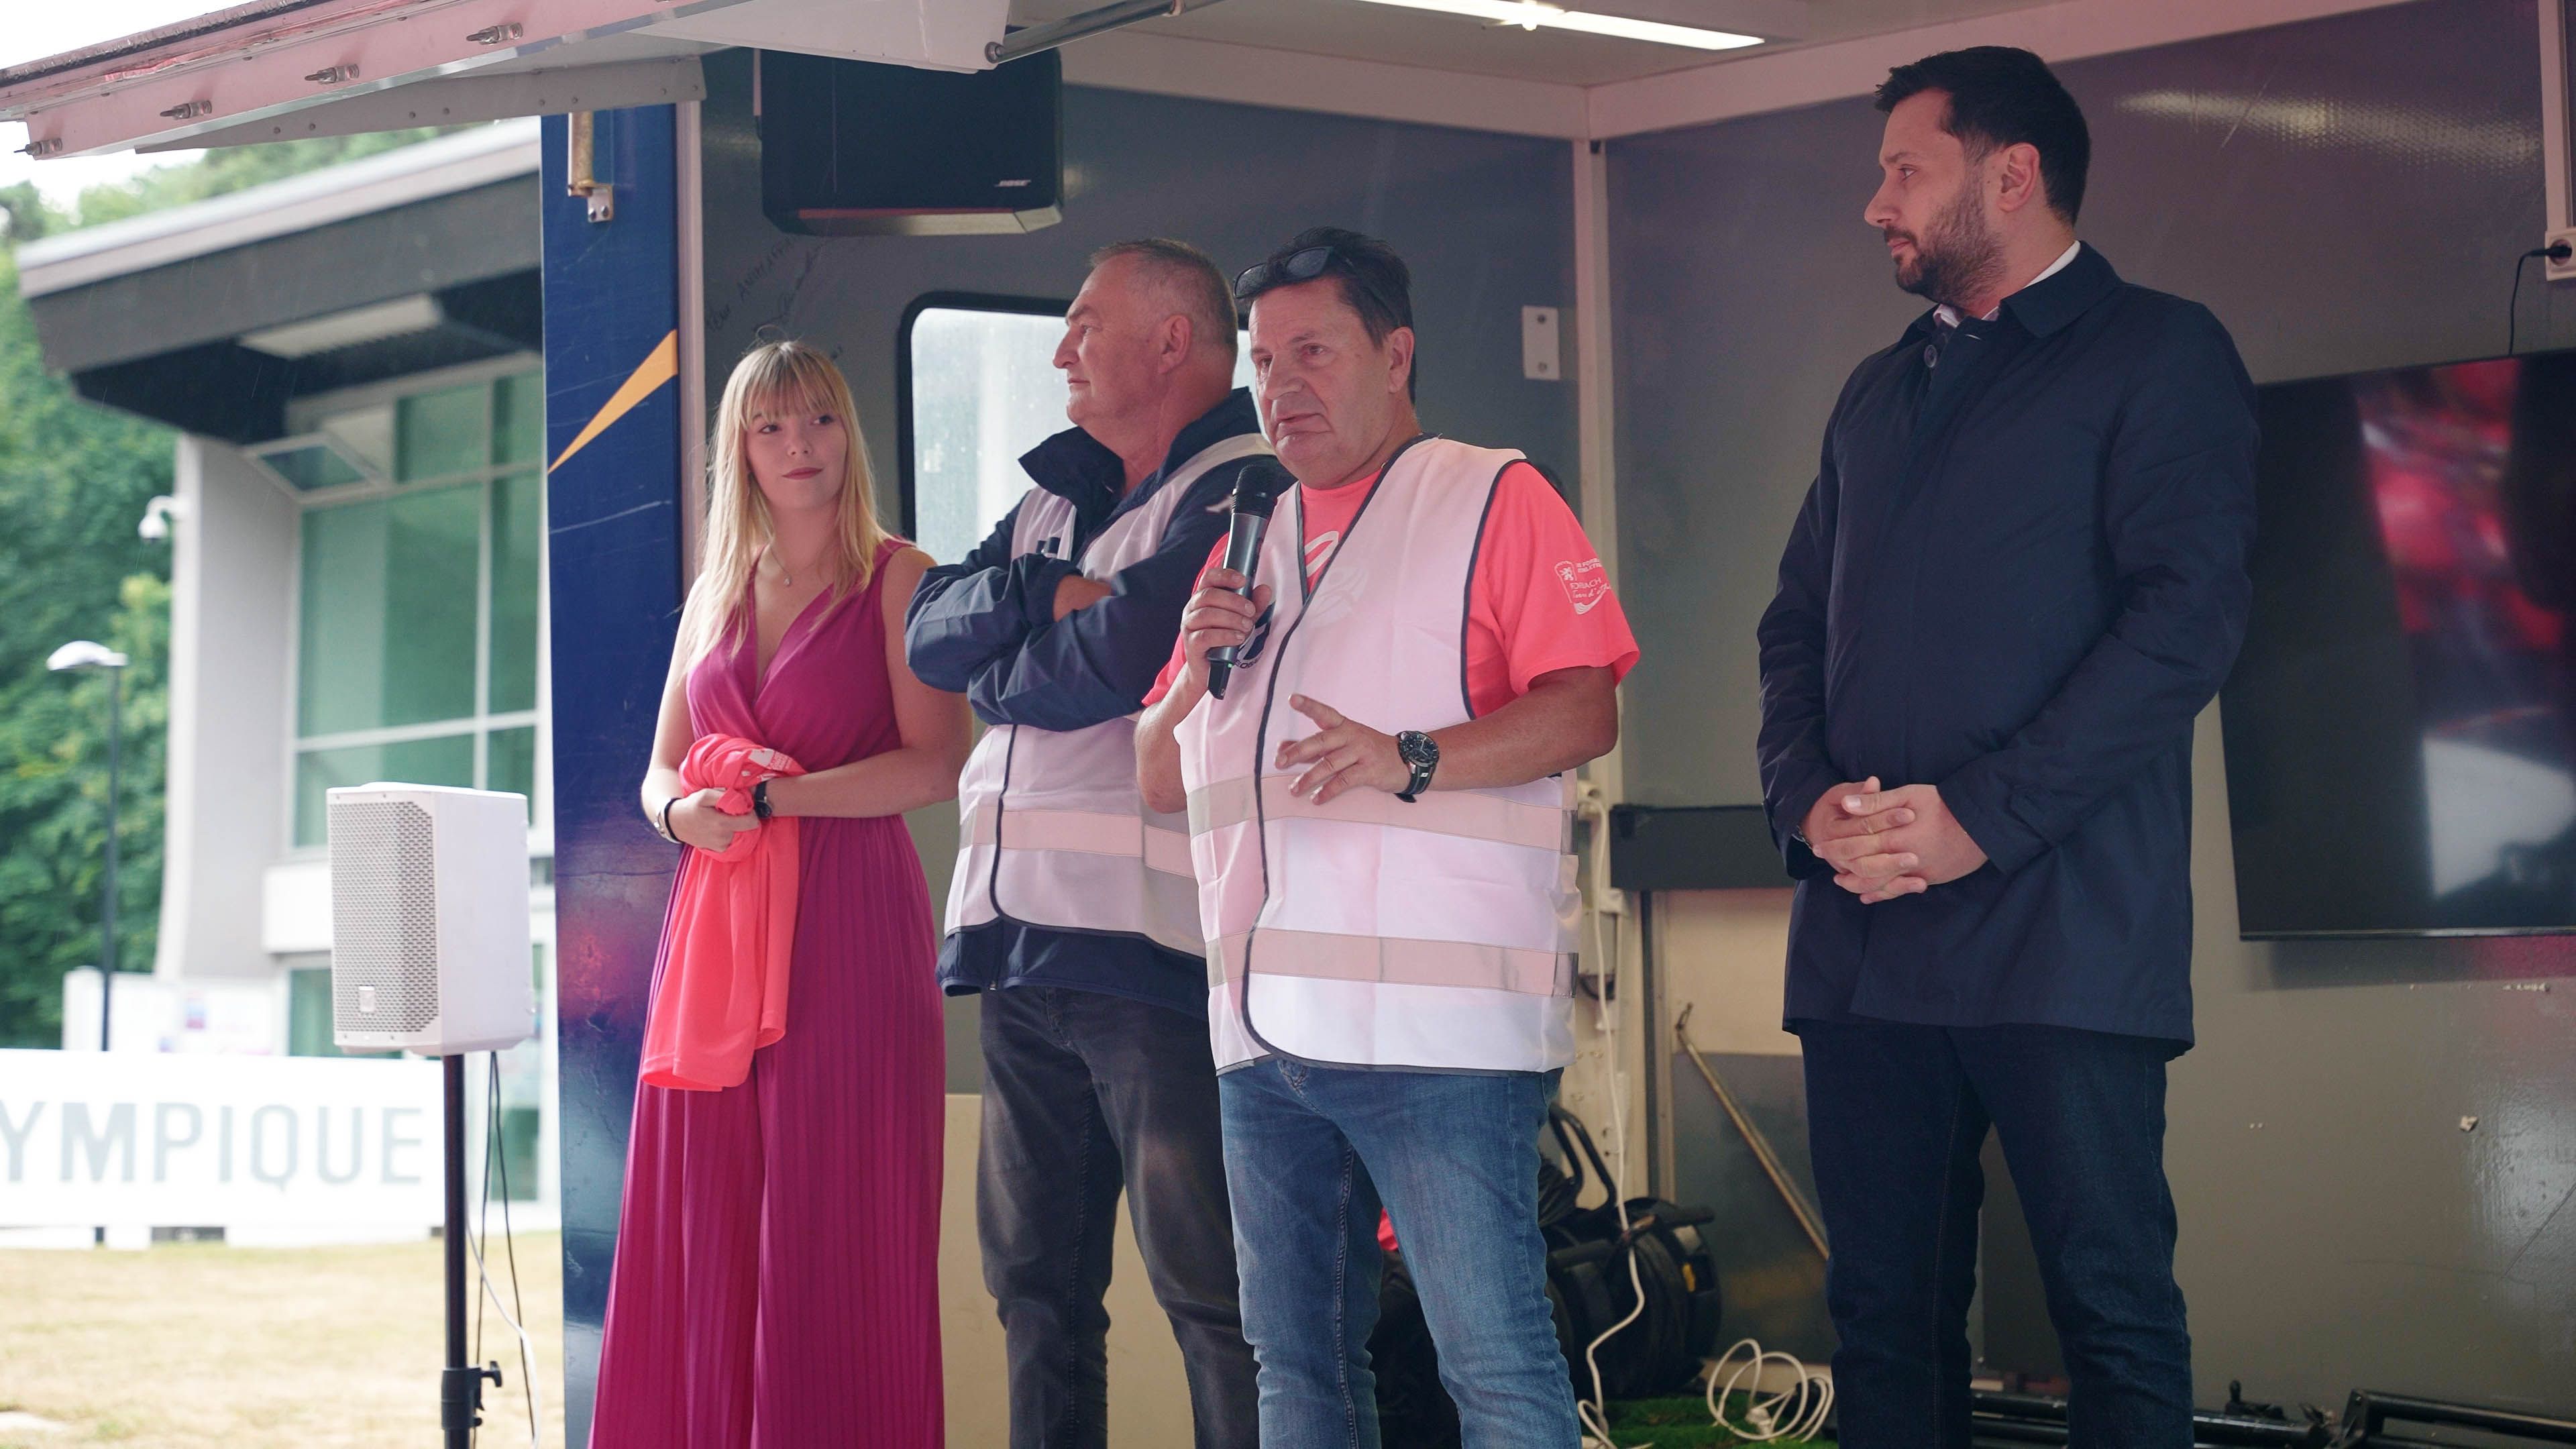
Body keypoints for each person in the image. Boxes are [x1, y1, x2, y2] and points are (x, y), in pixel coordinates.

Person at [1753, 48, 2258, 1448]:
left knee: (2110, 1316)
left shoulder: (2160, 352)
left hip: (2065, 938)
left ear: (2013, 175)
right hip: (1865, 946)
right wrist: (1807, 804)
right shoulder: (1876, 390)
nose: (1878, 204)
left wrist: (1980, 816)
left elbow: (2187, 625)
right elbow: (1792, 627)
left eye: (1905, 170)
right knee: (1882, 1323)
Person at [1136, 226, 1639, 1449]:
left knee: (1494, 1368)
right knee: (1296, 1372)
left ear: (1397, 354)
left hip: (1441, 1044)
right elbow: (1154, 778)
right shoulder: (1247, 543)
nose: (1281, 386)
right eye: (1264, 361)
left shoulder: (1490, 496)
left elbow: (1585, 709)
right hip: (1265, 1044)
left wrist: (1411, 757)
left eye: (1314, 351)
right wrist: (1195, 667)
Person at [904, 239, 1268, 1449]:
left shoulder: (1244, 490)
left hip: (1151, 956)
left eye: (1085, 323)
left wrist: (999, 671)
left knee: (1212, 1296)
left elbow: (1122, 658)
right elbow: (926, 633)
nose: (1061, 349)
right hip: (1018, 950)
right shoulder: (1053, 497)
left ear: (1172, 342)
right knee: (1036, 1294)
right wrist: (1029, 600)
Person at [591, 339, 971, 1448]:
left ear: (849, 432)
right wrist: (681, 818)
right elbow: (659, 772)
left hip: (848, 923)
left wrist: (777, 801)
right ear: (741, 451)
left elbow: (939, 763)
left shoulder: (901, 576)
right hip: (714, 934)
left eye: (818, 419)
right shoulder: (714, 591)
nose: (799, 444)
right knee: (704, 1207)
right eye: (771, 427)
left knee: (835, 1208)